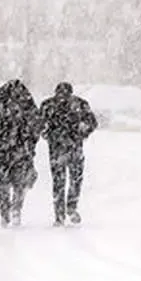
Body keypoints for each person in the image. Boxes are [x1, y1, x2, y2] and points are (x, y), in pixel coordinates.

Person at [0, 79, 41, 228]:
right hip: (20, 149)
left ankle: (4, 213)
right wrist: (30, 141)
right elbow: (35, 125)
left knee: (3, 183)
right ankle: (16, 209)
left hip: (2, 150)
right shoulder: (26, 103)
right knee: (19, 183)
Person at [39, 82, 98, 226]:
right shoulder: (80, 104)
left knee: (59, 183)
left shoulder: (48, 105)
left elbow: (39, 124)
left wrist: (48, 136)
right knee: (75, 181)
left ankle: (59, 215)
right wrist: (82, 132)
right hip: (74, 148)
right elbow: (93, 123)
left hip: (57, 150)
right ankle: (71, 208)